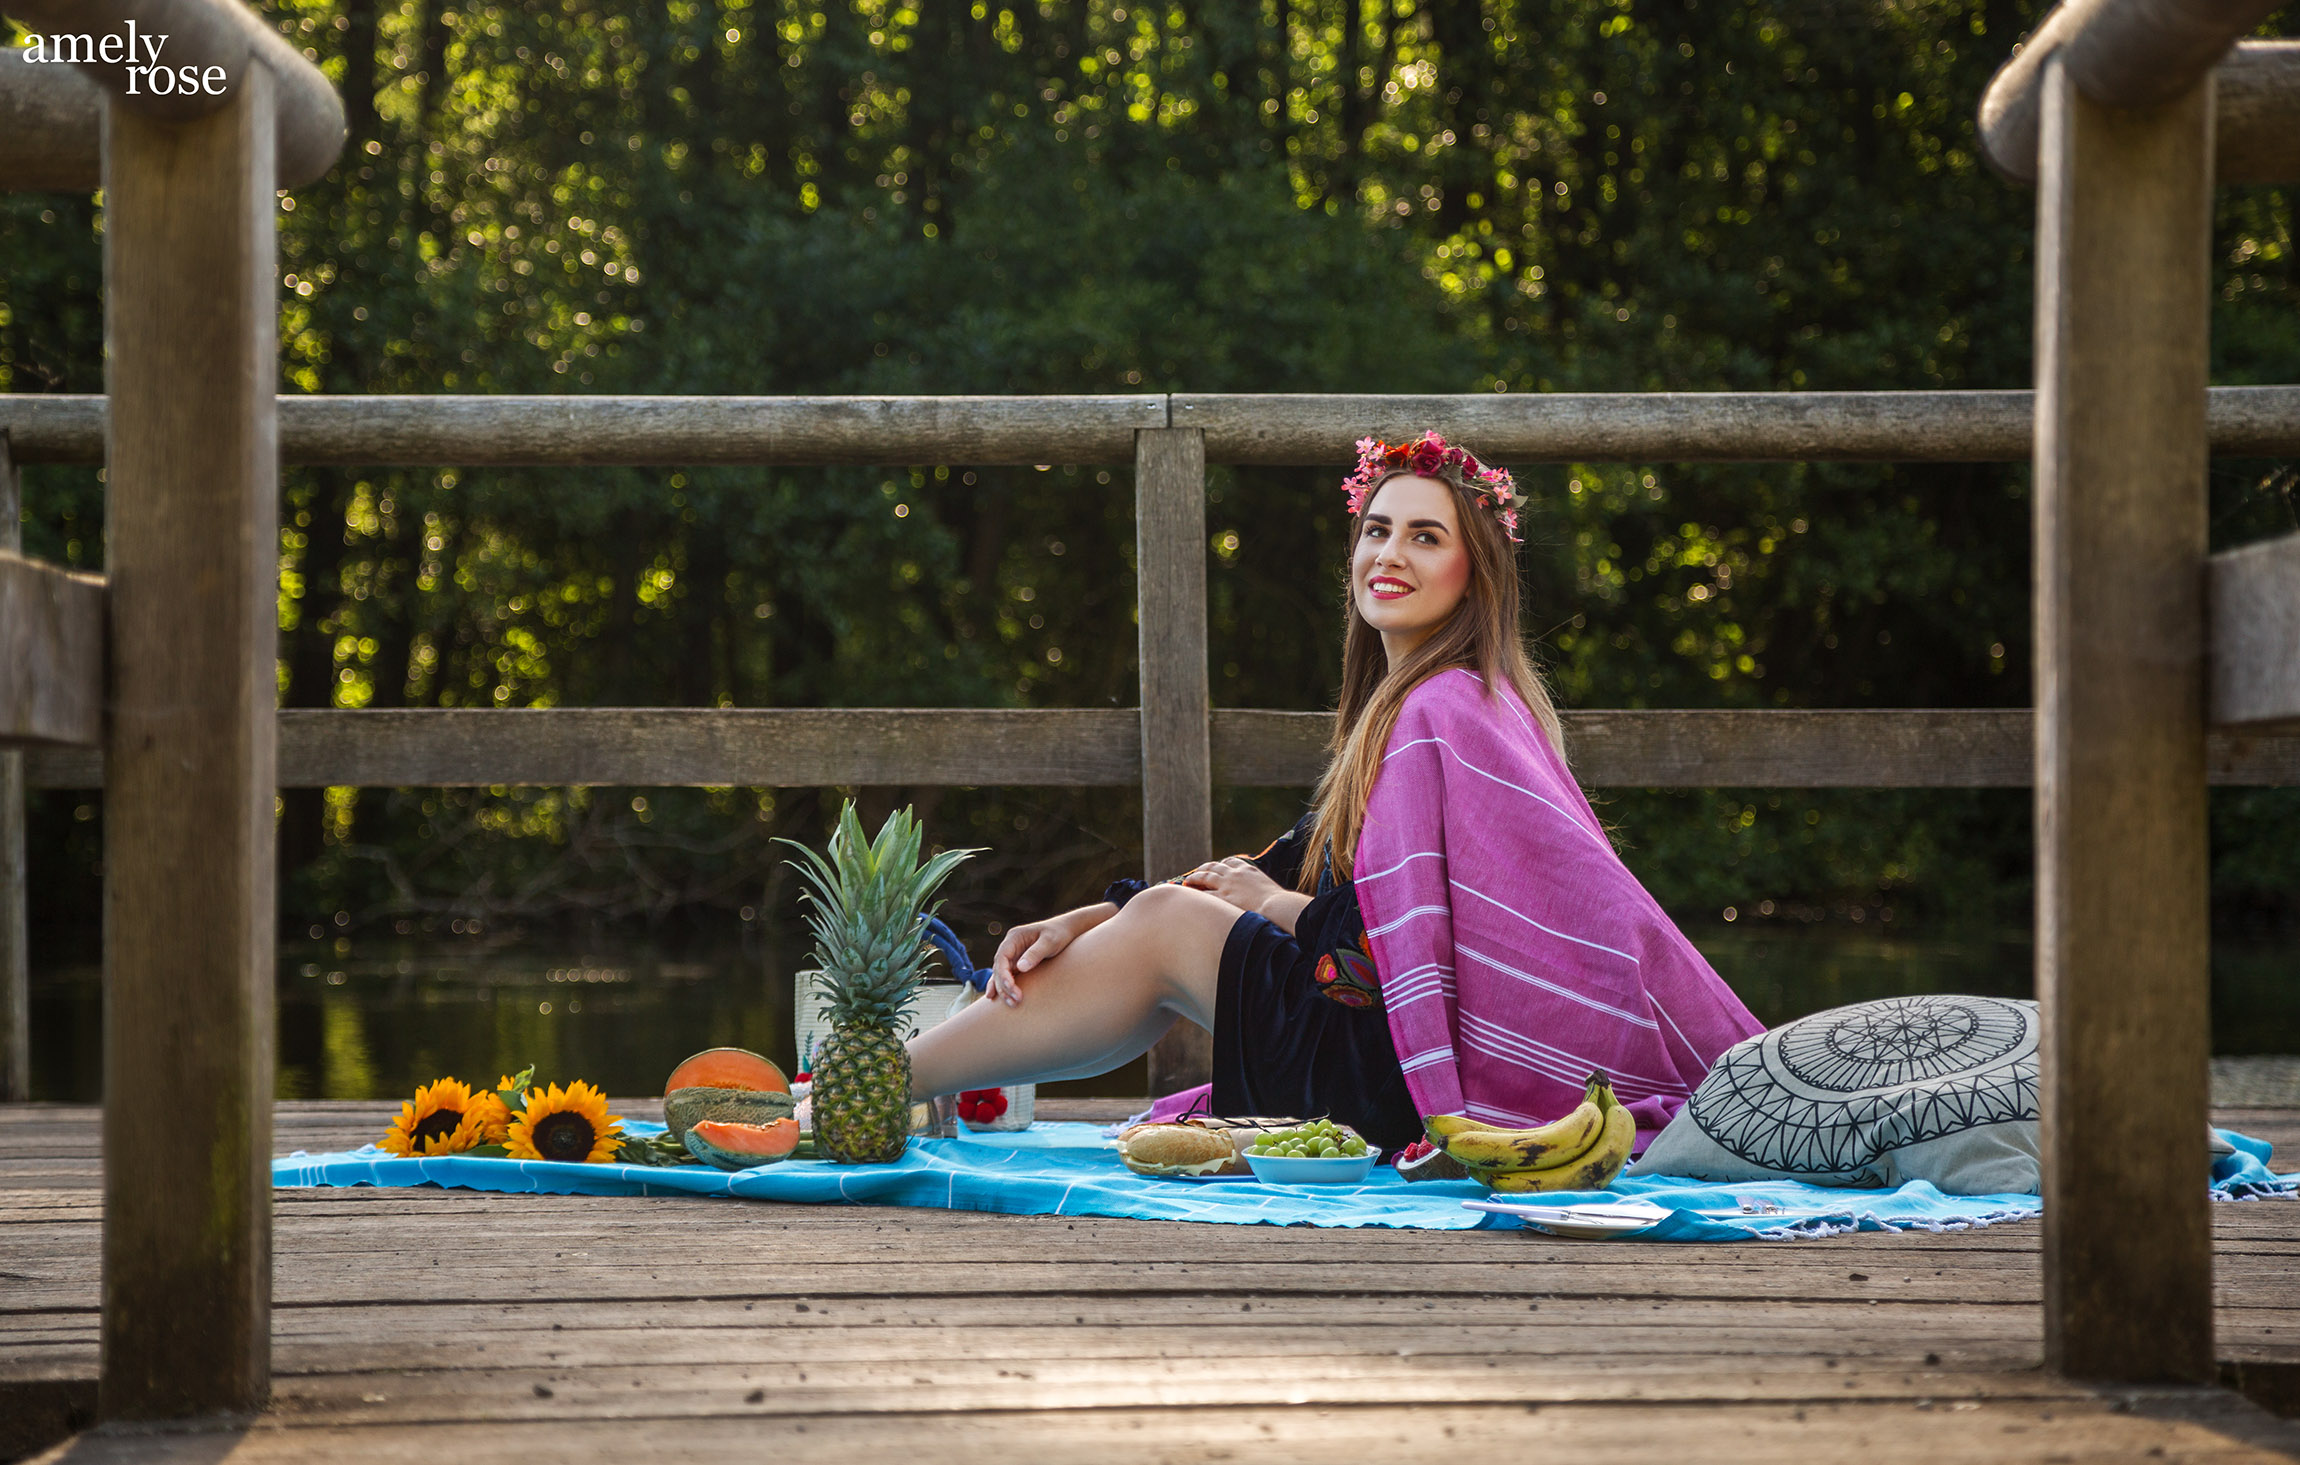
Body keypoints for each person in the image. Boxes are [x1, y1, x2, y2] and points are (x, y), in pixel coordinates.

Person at [908, 431, 1764, 1152]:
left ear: (1476, 570)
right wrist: (1091, 918)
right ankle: (881, 1085)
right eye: (1377, 530)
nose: (1390, 554)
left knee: (1169, 927)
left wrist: (1267, 902)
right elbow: (1278, 866)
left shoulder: (1447, 714)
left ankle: (872, 1084)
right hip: (1378, 1049)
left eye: (1426, 537)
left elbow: (1375, 949)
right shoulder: (1420, 709)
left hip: (1400, 1073)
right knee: (1159, 920)